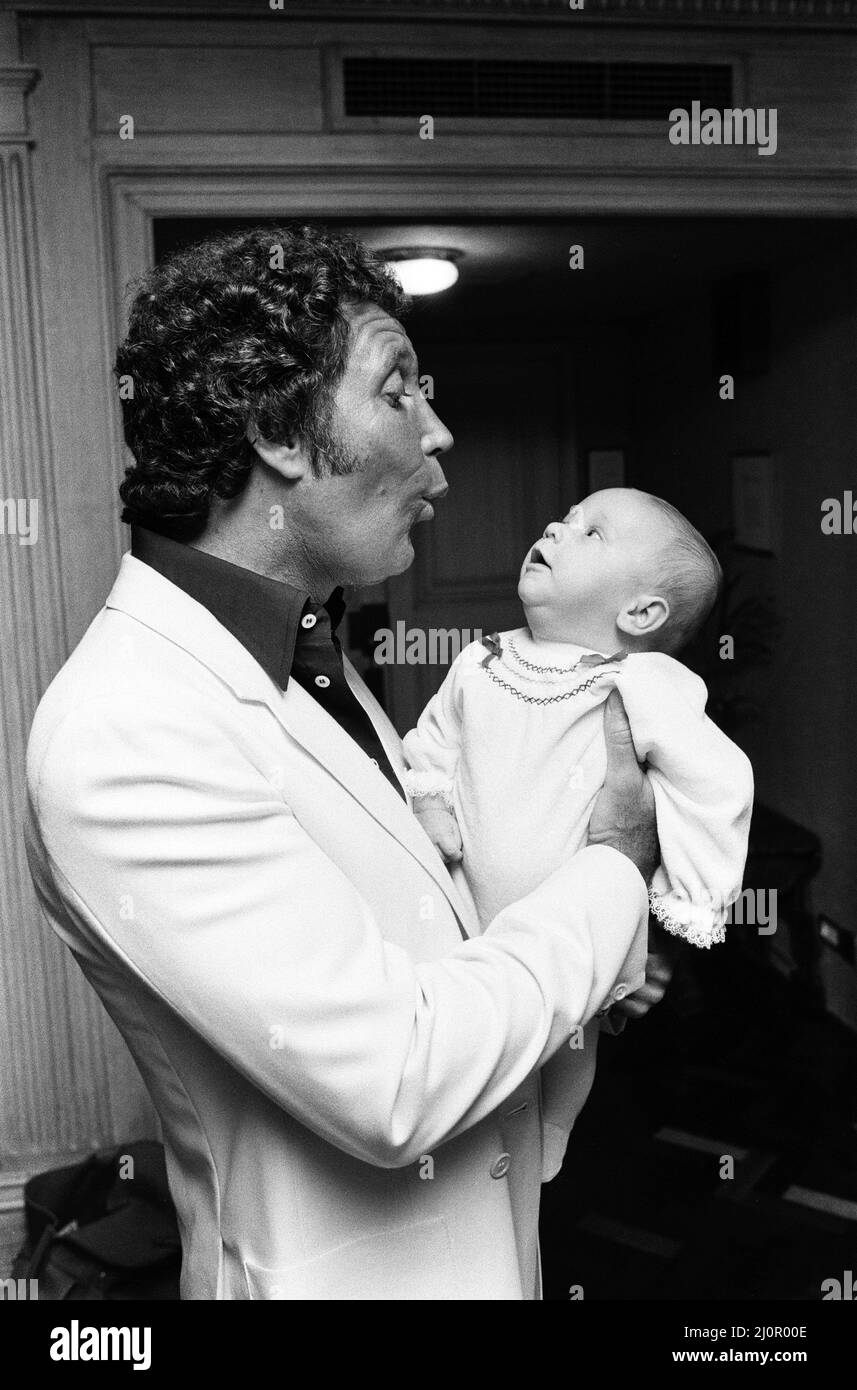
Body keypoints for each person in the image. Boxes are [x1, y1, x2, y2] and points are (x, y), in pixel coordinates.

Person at [25, 224, 667, 1301]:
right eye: (398, 389)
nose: (440, 431)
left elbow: (403, 926)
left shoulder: (305, 651)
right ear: (279, 430)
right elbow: (394, 1079)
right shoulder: (125, 726)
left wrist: (575, 953)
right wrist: (611, 874)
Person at [403, 487, 754, 1182]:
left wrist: (684, 900)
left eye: (591, 533)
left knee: (568, 1041)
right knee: (469, 1028)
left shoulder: (643, 683)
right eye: (564, 517)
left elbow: (714, 780)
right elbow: (433, 740)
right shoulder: (479, 661)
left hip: (576, 918)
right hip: (461, 909)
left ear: (640, 612)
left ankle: (551, 1134)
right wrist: (429, 800)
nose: (556, 527)